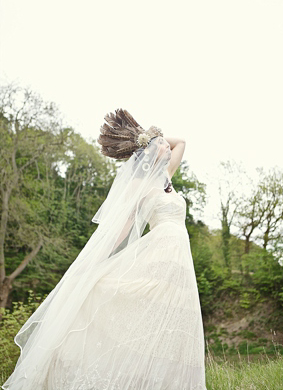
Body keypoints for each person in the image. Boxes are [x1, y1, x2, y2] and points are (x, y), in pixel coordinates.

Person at [2, 109, 205, 390]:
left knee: (174, 314)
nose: (166, 147)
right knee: (139, 305)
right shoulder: (140, 186)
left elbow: (180, 141)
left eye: (163, 143)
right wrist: (92, 263)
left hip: (179, 257)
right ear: (148, 153)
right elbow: (121, 227)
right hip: (159, 251)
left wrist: (149, 137)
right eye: (161, 145)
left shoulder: (166, 178)